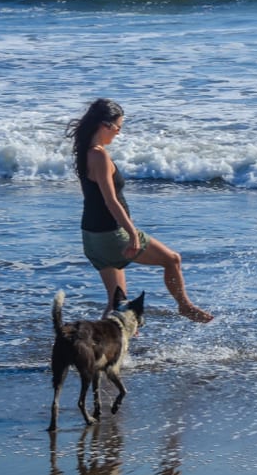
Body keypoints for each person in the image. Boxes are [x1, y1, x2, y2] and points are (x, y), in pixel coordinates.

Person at [65, 98, 213, 322]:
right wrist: (132, 233)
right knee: (172, 260)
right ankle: (184, 306)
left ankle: (101, 350)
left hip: (91, 236)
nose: (118, 133)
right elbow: (110, 201)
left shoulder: (85, 151)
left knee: (117, 303)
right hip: (110, 234)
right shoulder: (99, 155)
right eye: (118, 128)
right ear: (105, 125)